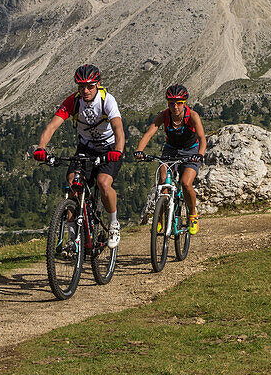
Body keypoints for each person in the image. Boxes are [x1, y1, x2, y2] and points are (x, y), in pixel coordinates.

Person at [33, 64, 127, 248]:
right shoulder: (73, 101)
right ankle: (72, 238)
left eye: (90, 86)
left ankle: (114, 223)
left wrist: (117, 151)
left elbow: (118, 129)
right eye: (81, 86)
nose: (85, 90)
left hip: (109, 149)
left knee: (103, 183)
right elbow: (51, 126)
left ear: (98, 84)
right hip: (85, 149)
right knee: (72, 185)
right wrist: (41, 148)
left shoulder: (107, 100)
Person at [133, 84, 207, 235]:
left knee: (186, 183)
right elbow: (148, 134)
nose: (175, 106)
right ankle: (158, 217)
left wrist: (200, 154)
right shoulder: (163, 116)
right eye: (171, 103)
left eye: (179, 103)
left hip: (190, 150)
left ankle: (192, 214)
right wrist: (139, 150)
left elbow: (202, 138)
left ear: (185, 103)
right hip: (171, 149)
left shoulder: (192, 116)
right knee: (162, 181)